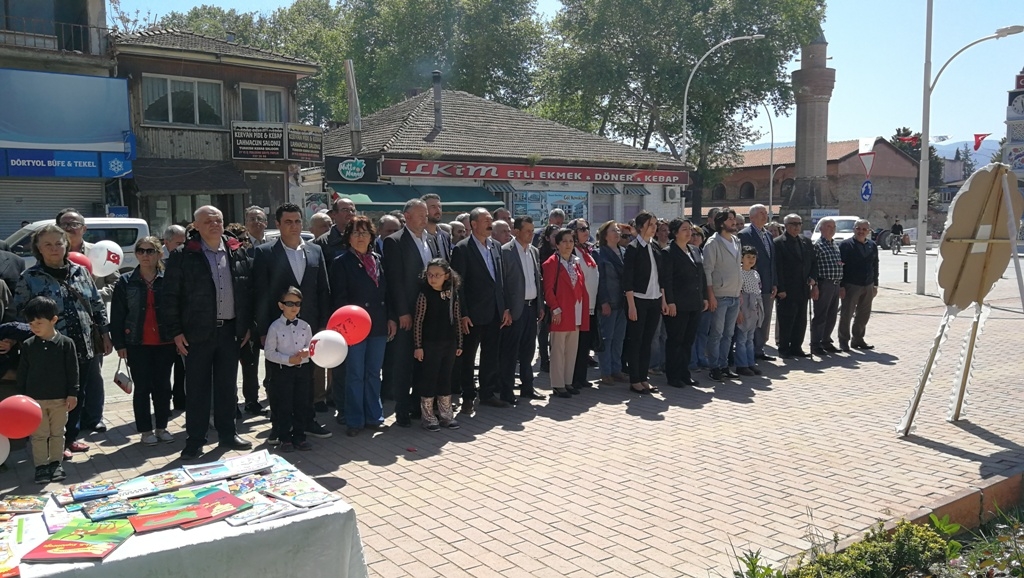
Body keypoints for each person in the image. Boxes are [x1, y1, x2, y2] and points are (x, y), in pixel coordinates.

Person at [161, 206, 254, 460]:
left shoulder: (237, 251)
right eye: (208, 221)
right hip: (197, 334)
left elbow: (247, 291)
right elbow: (169, 297)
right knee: (197, 390)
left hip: (230, 332)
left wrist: (247, 326)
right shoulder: (183, 254)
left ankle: (228, 434)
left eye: (218, 220)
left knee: (227, 387)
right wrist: (176, 332)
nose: (214, 224)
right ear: (196, 226)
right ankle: (195, 440)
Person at [12, 224, 109, 458]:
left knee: (77, 393)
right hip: (50, 349)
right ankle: (54, 442)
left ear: (66, 244)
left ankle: (71, 437)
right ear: (38, 248)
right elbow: (20, 313)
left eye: (58, 243)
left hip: (82, 344)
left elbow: (96, 304)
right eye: (47, 244)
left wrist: (105, 333)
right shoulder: (30, 277)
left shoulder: (80, 271)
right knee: (54, 398)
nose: (54, 248)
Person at [251, 203, 332, 437]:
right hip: (278, 328)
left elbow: (323, 290)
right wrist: (263, 330)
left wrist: (323, 325)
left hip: (309, 326)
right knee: (279, 380)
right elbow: (260, 293)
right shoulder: (265, 252)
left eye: (297, 221)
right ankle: (280, 426)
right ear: (278, 224)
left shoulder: (315, 251)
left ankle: (307, 421)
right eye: (288, 222)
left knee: (308, 378)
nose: (294, 226)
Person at [330, 216, 394, 436]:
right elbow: (339, 298)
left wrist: (391, 318)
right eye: (356, 232)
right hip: (354, 327)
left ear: (371, 236)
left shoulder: (378, 259)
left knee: (373, 373)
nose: (360, 237)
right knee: (355, 374)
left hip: (378, 324)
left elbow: (387, 293)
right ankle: (354, 420)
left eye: (365, 232)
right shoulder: (341, 262)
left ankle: (374, 416)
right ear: (348, 237)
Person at [110, 236, 176, 446]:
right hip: (137, 343)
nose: (145, 255)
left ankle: (162, 427)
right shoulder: (126, 281)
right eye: (141, 251)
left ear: (159, 254)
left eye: (150, 251)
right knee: (142, 388)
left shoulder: (168, 278)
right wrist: (120, 344)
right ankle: (145, 431)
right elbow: (117, 315)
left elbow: (177, 309)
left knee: (163, 387)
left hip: (165, 342)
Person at [56, 208, 115, 433]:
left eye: (75, 224)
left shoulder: (99, 251)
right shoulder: (53, 252)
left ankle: (95, 417)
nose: (70, 228)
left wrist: (95, 295)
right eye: (65, 224)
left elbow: (115, 281)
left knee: (93, 374)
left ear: (84, 228)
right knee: (66, 375)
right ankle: (72, 421)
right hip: (61, 325)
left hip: (92, 324)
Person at [382, 199, 439, 427]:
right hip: (408, 313)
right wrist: (402, 312)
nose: (425, 218)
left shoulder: (431, 240)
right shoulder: (394, 242)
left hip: (430, 312)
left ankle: (418, 407)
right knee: (404, 363)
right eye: (421, 214)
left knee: (424, 362)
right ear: (407, 217)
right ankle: (402, 410)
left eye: (426, 214)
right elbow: (394, 281)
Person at [451, 208, 511, 409]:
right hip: (473, 314)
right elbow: (458, 285)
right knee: (468, 357)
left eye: (490, 220)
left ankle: (487, 393)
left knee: (490, 355)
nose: (490, 223)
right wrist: (463, 314)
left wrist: (505, 307)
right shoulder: (462, 249)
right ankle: (468, 396)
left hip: (494, 311)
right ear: (474, 224)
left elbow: (500, 280)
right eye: (485, 220)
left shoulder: (495, 246)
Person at [18, 296, 78, 484]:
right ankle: (41, 466)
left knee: (57, 433)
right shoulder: (28, 345)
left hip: (60, 399)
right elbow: (23, 373)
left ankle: (55, 464)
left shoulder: (66, 343)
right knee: (39, 435)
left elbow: (73, 371)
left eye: (39, 323)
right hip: (35, 402)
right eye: (31, 323)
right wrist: (22, 399)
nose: (34, 327)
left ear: (53, 320)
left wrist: (73, 393)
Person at [413, 259, 465, 430]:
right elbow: (418, 321)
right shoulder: (424, 294)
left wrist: (459, 343)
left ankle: (446, 415)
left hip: (449, 343)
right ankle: (428, 417)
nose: (433, 278)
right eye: (429, 275)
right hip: (430, 344)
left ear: (447, 276)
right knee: (429, 378)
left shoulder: (452, 293)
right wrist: (418, 346)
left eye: (437, 275)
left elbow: (457, 318)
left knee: (445, 378)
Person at [499, 216, 546, 403]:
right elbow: (502, 284)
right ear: (516, 231)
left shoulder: (534, 251)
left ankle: (527, 387)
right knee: (510, 353)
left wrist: (540, 305)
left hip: (531, 308)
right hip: (514, 310)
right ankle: (507, 391)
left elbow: (537, 280)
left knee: (528, 351)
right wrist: (506, 309)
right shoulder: (505, 251)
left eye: (532, 230)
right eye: (527, 231)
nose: (531, 234)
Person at [263, 286, 314, 452]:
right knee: (284, 404)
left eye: (298, 303)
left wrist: (307, 352)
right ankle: (284, 437)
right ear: (281, 305)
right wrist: (287, 360)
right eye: (290, 303)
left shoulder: (305, 326)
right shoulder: (275, 327)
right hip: (283, 371)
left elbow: (311, 347)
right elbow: (269, 353)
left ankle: (299, 436)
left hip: (302, 370)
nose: (294, 307)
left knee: (301, 403)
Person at [622, 211, 665, 394]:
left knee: (647, 341)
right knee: (636, 341)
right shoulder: (633, 248)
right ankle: (635, 380)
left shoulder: (654, 247)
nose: (654, 228)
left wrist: (663, 300)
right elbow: (628, 279)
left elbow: (660, 276)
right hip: (638, 300)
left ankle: (643, 377)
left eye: (655, 224)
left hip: (654, 299)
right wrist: (631, 305)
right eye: (650, 225)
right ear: (640, 227)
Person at [542, 228, 589, 398]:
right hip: (560, 312)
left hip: (576, 311)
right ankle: (558, 384)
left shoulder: (576, 262)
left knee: (571, 350)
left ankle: (568, 381)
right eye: (564, 241)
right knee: (558, 351)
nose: (568, 245)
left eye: (571, 241)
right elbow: (548, 290)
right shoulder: (551, 263)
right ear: (557, 244)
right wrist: (555, 309)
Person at [660, 219, 706, 387]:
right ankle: (673, 376)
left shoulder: (694, 250)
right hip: (678, 304)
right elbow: (666, 280)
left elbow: (701, 275)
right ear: (675, 233)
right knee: (675, 340)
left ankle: (684, 373)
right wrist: (670, 301)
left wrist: (704, 297)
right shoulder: (668, 252)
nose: (689, 233)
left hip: (694, 302)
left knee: (688, 340)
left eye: (690, 229)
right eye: (684, 229)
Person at [703, 208, 742, 382]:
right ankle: (714, 367)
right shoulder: (712, 243)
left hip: (734, 295)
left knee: (729, 334)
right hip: (719, 296)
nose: (734, 222)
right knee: (717, 333)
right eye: (730, 219)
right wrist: (710, 295)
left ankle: (724, 365)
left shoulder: (736, 241)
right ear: (721, 223)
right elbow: (707, 270)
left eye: (734, 218)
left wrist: (739, 292)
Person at [239, 206, 270, 417]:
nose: (256, 222)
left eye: (259, 218)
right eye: (251, 219)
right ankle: (251, 400)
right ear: (246, 223)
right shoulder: (240, 247)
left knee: (272, 358)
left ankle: (272, 392)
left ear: (266, 223)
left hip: (270, 310)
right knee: (249, 361)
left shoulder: (273, 245)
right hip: (249, 311)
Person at [773, 214, 818, 358]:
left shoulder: (806, 241)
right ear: (786, 226)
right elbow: (777, 268)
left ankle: (796, 347)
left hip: (803, 287)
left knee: (800, 319)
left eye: (799, 223)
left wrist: (813, 279)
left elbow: (813, 262)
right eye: (793, 224)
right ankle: (784, 348)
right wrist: (781, 289)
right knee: (786, 320)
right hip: (787, 289)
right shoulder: (778, 243)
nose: (796, 226)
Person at [737, 204, 778, 361]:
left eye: (765, 213)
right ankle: (750, 351)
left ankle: (759, 348)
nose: (764, 215)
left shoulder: (768, 235)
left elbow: (772, 261)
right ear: (752, 217)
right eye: (761, 213)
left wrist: (774, 282)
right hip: (750, 285)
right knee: (750, 319)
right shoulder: (745, 235)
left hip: (767, 284)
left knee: (764, 317)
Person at [838, 219, 879, 351]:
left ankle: (858, 339)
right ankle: (843, 341)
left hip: (868, 284)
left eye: (864, 229)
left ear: (868, 231)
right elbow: (840, 266)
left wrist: (875, 284)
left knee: (863, 314)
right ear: (854, 229)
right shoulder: (845, 245)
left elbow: (875, 265)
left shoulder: (872, 245)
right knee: (847, 314)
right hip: (851, 285)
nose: (861, 231)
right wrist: (841, 286)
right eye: (858, 228)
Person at [595, 221, 627, 385]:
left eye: (618, 230)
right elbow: (599, 280)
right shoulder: (599, 253)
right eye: (613, 230)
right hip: (609, 301)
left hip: (623, 302)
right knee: (607, 338)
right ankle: (606, 372)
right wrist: (604, 301)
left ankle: (616, 369)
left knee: (619, 338)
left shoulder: (624, 252)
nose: (617, 233)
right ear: (605, 235)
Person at [568, 218, 599, 390]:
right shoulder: (572, 251)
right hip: (578, 306)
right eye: (582, 229)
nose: (586, 231)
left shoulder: (587, 250)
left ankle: (581, 377)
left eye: (587, 228)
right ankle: (573, 378)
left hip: (591, 305)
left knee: (585, 344)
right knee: (576, 344)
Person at [810, 218, 844, 355]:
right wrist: (815, 286)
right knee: (821, 315)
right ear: (821, 229)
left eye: (833, 227)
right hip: (824, 284)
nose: (832, 229)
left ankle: (826, 341)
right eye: (828, 226)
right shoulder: (817, 245)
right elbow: (814, 267)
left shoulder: (834, 245)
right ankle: (815, 344)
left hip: (835, 284)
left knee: (832, 315)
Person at [735, 246, 765, 376]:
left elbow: (758, 291)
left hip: (754, 308)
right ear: (742, 258)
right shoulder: (739, 273)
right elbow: (738, 294)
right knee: (742, 337)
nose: (751, 260)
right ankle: (741, 365)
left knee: (750, 337)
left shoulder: (755, 274)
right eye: (748, 257)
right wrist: (739, 311)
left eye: (753, 257)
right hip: (744, 306)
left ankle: (750, 362)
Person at [536, 223, 560, 373]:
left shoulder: (562, 252)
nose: (557, 239)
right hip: (544, 296)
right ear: (547, 238)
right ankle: (544, 359)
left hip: (559, 295)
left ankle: (555, 358)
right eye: (554, 236)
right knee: (544, 330)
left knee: (556, 330)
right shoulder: (540, 253)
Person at [688, 227, 711, 373]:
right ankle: (692, 361)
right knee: (693, 332)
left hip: (705, 297)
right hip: (692, 299)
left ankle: (702, 357)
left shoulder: (705, 253)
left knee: (703, 332)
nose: (695, 237)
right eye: (692, 234)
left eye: (698, 235)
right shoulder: (687, 253)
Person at [315, 197, 357, 266]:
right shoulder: (323, 242)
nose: (350, 213)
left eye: (353, 210)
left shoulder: (364, 238)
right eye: (345, 210)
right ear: (334, 214)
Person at [422, 193, 453, 260]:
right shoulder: (418, 236)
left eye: (439, 207)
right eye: (433, 207)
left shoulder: (445, 236)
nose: (438, 210)